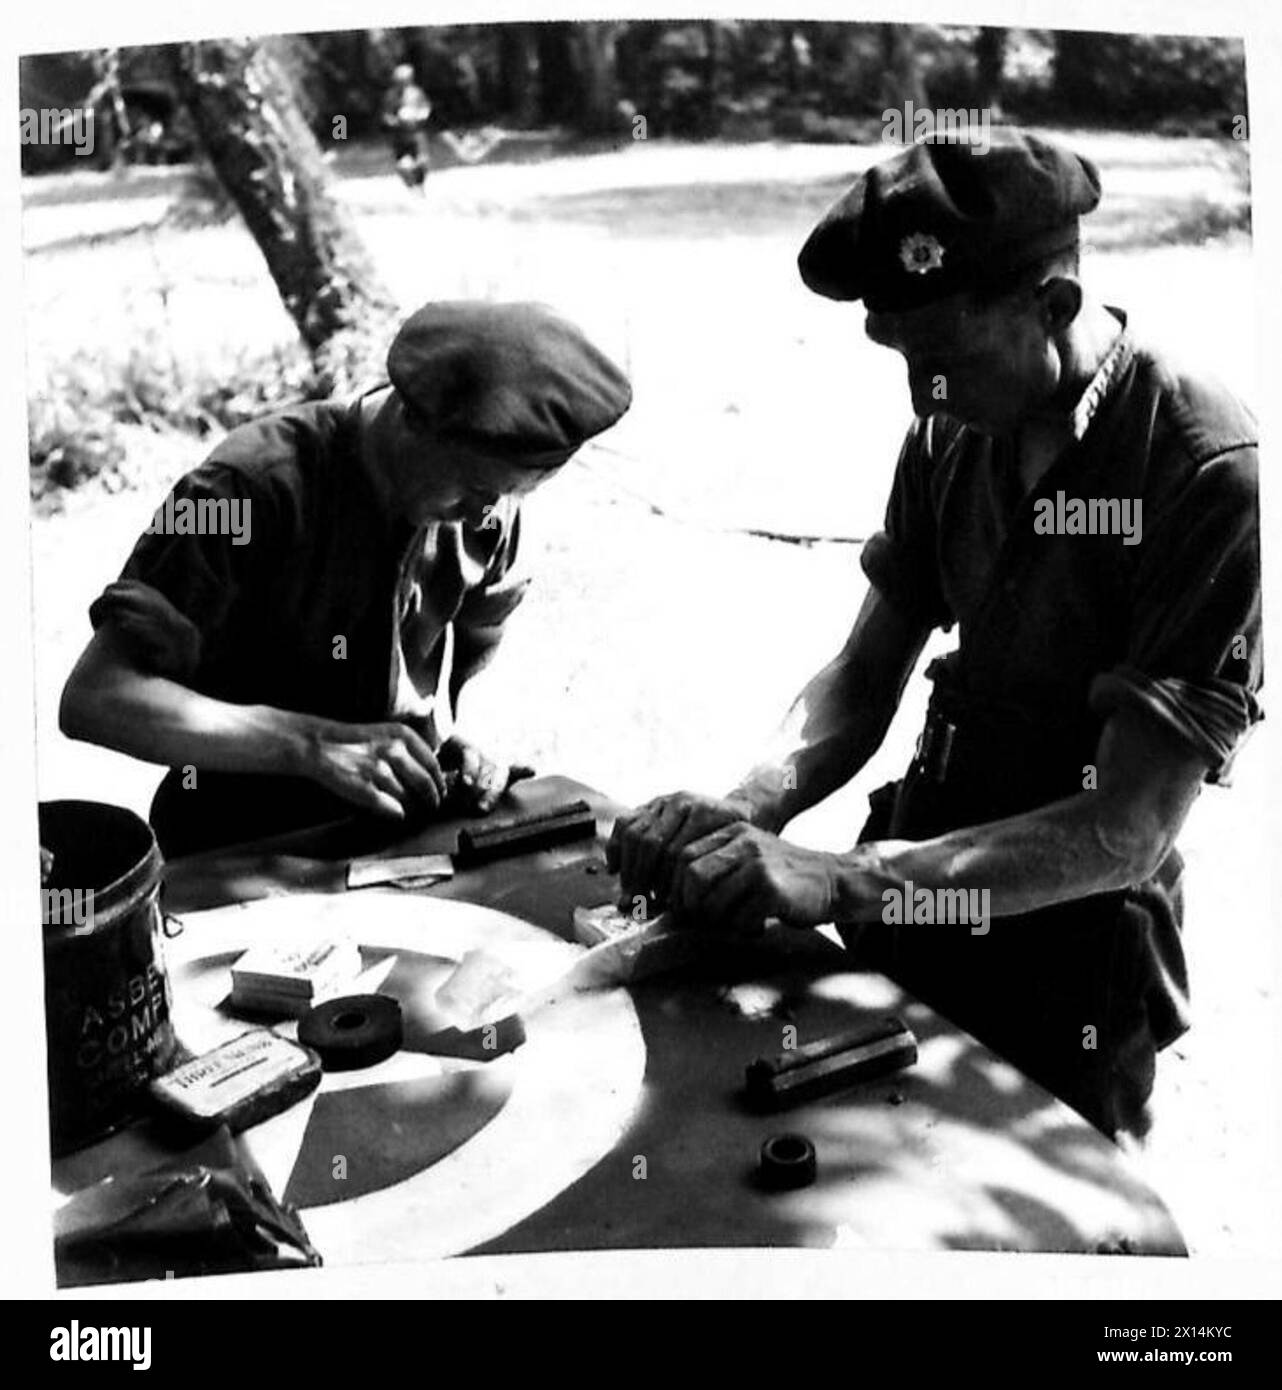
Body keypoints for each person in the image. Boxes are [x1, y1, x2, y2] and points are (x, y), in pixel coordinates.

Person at [608, 130, 1261, 1142]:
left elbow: (1123, 828)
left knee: (1063, 1233)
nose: (922, 399)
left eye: (944, 359)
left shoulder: (1202, 467)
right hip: (919, 889)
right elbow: (865, 672)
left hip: (1071, 943)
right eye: (904, 361)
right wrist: (748, 798)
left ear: (1053, 307)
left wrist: (840, 878)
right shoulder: (952, 425)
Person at [61, 301, 632, 858]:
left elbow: (477, 641)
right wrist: (308, 744)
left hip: (399, 837)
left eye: (508, 494)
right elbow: (98, 696)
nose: (484, 513)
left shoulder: (488, 508)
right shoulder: (242, 492)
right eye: (474, 488)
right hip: (240, 845)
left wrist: (455, 743)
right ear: (411, 419)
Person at [381, 63, 433, 190]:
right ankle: (410, 188)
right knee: (403, 166)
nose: (404, 82)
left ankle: (421, 187)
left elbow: (426, 107)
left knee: (422, 163)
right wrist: (396, 121)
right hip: (400, 136)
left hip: (417, 134)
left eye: (406, 79)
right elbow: (386, 116)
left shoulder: (417, 92)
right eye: (400, 80)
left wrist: (422, 115)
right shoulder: (390, 96)